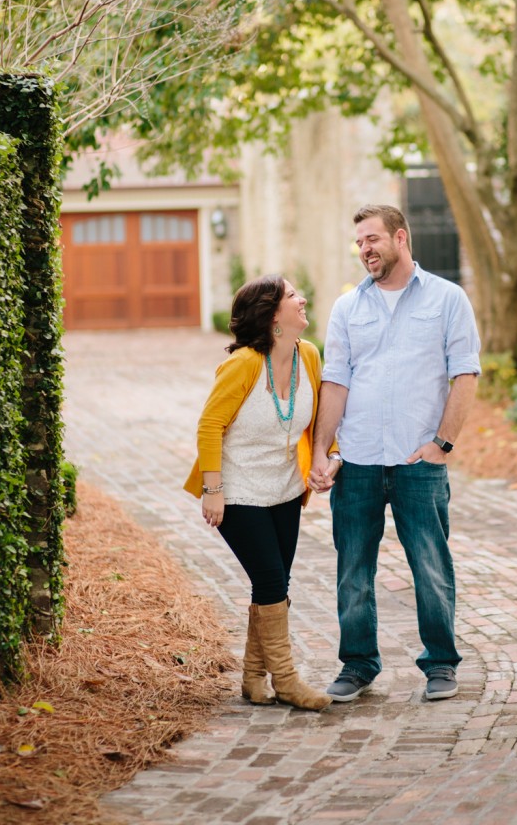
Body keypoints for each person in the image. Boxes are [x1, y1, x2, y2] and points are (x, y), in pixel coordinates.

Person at [309, 204, 481, 703]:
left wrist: (441, 445)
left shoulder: (447, 299)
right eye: (358, 242)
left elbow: (465, 374)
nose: (364, 249)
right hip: (358, 461)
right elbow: (336, 382)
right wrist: (323, 449)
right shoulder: (348, 308)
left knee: (430, 565)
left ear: (400, 237)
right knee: (353, 570)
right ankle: (358, 665)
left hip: (417, 462)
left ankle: (441, 665)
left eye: (372, 239)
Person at [184, 274, 337, 712]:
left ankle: (254, 678)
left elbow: (318, 420)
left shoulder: (308, 355)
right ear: (273, 316)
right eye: (292, 296)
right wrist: (213, 490)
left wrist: (331, 457)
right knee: (272, 581)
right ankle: (286, 679)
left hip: (286, 489)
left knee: (272, 583)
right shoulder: (244, 364)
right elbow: (210, 425)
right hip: (238, 491)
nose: (302, 298)